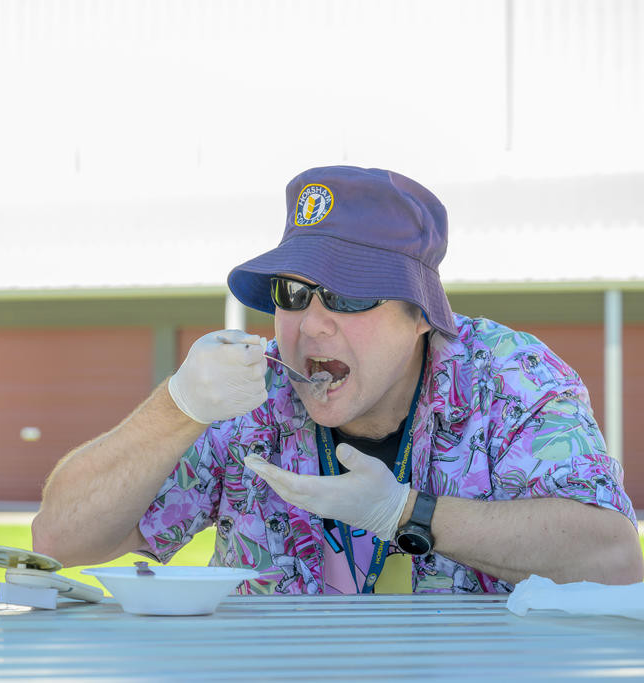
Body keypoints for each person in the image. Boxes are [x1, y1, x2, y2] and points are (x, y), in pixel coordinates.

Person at [32, 165, 643, 594]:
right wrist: (178, 405)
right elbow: (59, 540)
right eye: (294, 293)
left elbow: (615, 561)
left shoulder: (510, 377)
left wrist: (408, 513)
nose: (310, 325)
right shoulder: (250, 394)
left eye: (348, 294)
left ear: (420, 315)